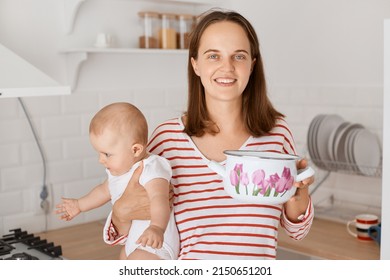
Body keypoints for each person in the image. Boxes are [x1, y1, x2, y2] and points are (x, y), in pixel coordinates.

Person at [110, 9, 315, 260]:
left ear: (251, 64)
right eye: (213, 56)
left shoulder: (277, 134)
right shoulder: (166, 139)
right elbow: (130, 234)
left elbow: (298, 230)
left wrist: (299, 193)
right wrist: (120, 213)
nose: (226, 67)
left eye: (238, 56)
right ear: (195, 64)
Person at [55, 102, 179, 260]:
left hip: (156, 243)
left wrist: (156, 227)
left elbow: (160, 198)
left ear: (135, 150)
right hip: (134, 242)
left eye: (107, 154)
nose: (100, 160)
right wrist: (79, 205)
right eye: (99, 153)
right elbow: (103, 191)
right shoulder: (119, 172)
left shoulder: (151, 167)